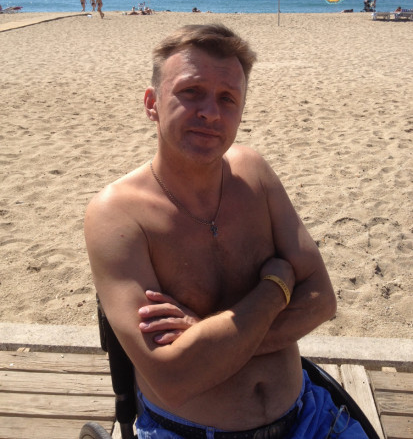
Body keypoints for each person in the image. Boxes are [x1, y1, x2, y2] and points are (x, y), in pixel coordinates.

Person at [85, 24, 368, 438]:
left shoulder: (254, 173)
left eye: (227, 98)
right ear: (152, 103)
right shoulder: (118, 214)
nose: (211, 113)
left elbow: (322, 300)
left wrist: (206, 338)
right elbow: (173, 378)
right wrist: (275, 288)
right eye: (191, 92)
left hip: (310, 418)